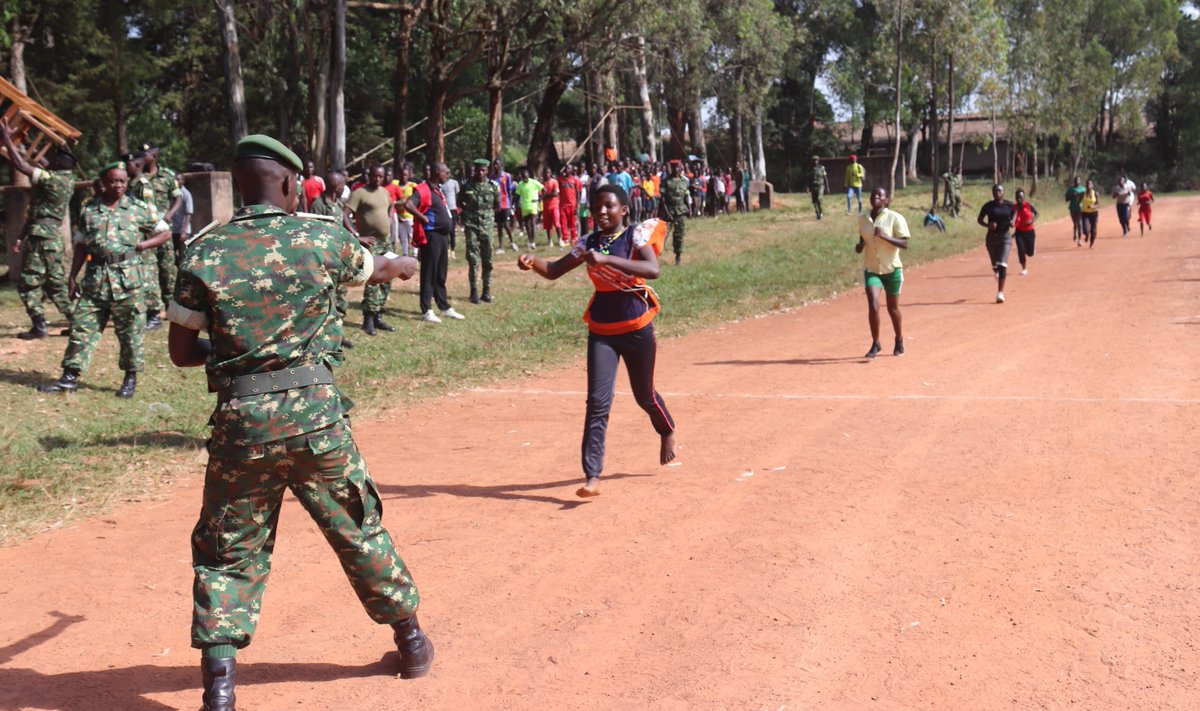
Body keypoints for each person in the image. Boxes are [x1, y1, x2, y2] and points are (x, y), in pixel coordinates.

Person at [165, 135, 431, 711]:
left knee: (227, 550)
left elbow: (181, 353)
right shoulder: (321, 236)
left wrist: (237, 350)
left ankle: (220, 689)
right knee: (356, 525)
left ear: (239, 182)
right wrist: (407, 265)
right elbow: (379, 266)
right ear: (289, 183)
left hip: (242, 424)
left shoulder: (204, 251)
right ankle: (411, 645)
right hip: (317, 420)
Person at [517, 184, 677, 497]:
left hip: (636, 326)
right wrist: (533, 261)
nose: (602, 212)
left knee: (644, 396)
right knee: (597, 403)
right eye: (597, 206)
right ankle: (592, 476)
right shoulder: (587, 243)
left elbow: (652, 269)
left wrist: (607, 261)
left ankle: (666, 429)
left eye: (609, 206)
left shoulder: (634, 237)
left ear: (624, 210)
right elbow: (553, 271)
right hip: (602, 329)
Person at [38, 160, 171, 397]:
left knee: (130, 333)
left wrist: (142, 245)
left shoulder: (139, 208)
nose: (117, 185)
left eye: (121, 180)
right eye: (112, 181)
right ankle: (69, 378)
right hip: (95, 280)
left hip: (129, 281)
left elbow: (164, 233)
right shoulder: (89, 210)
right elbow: (81, 245)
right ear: (103, 183)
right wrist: (72, 276)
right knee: (81, 329)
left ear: (127, 181)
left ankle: (130, 378)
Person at [0, 118, 76, 339]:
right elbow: (42, 163)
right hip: (49, 237)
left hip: (41, 239)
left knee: (29, 282)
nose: (47, 162)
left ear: (58, 165)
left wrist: (5, 137)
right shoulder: (65, 178)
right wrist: (26, 141)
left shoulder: (52, 181)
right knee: (55, 284)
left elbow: (22, 166)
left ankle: (39, 326)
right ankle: (76, 322)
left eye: (52, 160)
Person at [406, 162, 466, 324]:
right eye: (446, 172)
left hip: (442, 237)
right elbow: (409, 204)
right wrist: (422, 217)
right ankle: (426, 309)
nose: (448, 174)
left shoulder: (437, 189)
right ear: (437, 172)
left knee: (440, 272)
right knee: (429, 272)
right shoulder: (423, 189)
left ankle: (444, 306)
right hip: (431, 236)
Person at [308, 170, 359, 349]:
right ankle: (324, 337)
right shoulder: (318, 205)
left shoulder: (337, 204)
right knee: (326, 299)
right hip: (325, 260)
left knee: (341, 297)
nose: (345, 186)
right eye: (343, 184)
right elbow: (314, 232)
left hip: (339, 258)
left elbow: (343, 223)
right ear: (337, 186)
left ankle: (338, 334)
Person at [136, 143, 184, 331]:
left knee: (167, 271)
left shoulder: (167, 176)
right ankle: (153, 313)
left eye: (146, 153)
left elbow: (178, 198)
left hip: (163, 230)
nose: (142, 156)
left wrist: (170, 214)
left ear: (154, 156)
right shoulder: (136, 178)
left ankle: (172, 310)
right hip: (145, 231)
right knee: (149, 271)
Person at [856, 186, 908, 358]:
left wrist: (885, 236)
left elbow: (904, 244)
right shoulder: (862, 218)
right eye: (873, 195)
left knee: (893, 309)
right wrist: (860, 246)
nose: (876, 197)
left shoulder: (895, 218)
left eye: (880, 195)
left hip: (892, 270)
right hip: (872, 269)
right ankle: (876, 343)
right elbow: (862, 238)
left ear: (886, 200)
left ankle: (899, 339)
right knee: (873, 305)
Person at [347, 164, 397, 336]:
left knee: (389, 275)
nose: (377, 179)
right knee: (373, 279)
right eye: (375, 176)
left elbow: (389, 209)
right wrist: (356, 235)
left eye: (380, 176)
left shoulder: (385, 192)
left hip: (387, 242)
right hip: (371, 243)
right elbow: (344, 214)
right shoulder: (359, 193)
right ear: (369, 175)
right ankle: (368, 319)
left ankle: (379, 315)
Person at [461, 158, 500, 304]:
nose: (480, 172)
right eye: (478, 170)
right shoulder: (467, 186)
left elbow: (497, 204)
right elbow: (461, 202)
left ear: (487, 171)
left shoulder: (493, 187)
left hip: (487, 227)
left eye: (483, 170)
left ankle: (486, 291)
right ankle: (474, 292)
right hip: (472, 226)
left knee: (488, 259)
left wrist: (488, 217)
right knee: (473, 260)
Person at [977, 183, 1016, 303]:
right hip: (992, 238)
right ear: (993, 193)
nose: (997, 193)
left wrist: (1013, 221)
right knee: (995, 264)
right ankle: (995, 270)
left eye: (999, 191)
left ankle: (1000, 293)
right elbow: (979, 220)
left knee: (1002, 264)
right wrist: (988, 225)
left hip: (1005, 237)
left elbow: (1015, 213)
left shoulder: (1009, 205)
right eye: (995, 191)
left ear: (1003, 192)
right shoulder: (988, 206)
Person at [661, 162, 689, 265]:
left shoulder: (684, 181)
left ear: (680, 168)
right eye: (673, 167)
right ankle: (655, 255)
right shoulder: (666, 181)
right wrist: (666, 212)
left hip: (681, 211)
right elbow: (663, 199)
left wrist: (688, 208)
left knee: (679, 235)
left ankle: (678, 257)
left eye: (677, 167)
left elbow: (686, 196)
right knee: (663, 234)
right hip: (669, 211)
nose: (675, 169)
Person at [491, 159, 517, 253]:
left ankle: (512, 242)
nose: (495, 166)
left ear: (501, 165)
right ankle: (501, 246)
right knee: (499, 225)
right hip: (497, 204)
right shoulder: (492, 178)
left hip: (505, 203)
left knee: (506, 224)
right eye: (494, 165)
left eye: (497, 164)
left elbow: (509, 191)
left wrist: (510, 204)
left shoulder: (506, 176)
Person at [1012, 188, 1039, 276]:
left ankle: (1032, 250)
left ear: (1024, 198)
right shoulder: (1014, 207)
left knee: (1030, 253)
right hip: (1019, 232)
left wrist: (1032, 220)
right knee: (1020, 249)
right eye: (1018, 197)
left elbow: (1037, 213)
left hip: (1030, 232)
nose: (1019, 199)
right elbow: (1011, 219)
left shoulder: (1028, 205)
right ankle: (1024, 268)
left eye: (1021, 197)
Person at [514, 168, 543, 249]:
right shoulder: (520, 184)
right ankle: (530, 241)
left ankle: (533, 242)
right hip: (525, 207)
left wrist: (540, 199)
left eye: (526, 177)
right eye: (523, 177)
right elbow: (517, 194)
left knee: (533, 223)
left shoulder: (534, 182)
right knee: (527, 225)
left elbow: (544, 189)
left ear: (528, 176)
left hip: (533, 206)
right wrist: (515, 203)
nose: (525, 178)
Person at [171, 174, 194, 265]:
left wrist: (184, 232)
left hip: (183, 231)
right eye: (175, 180)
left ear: (183, 181)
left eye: (179, 180)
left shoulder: (186, 194)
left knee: (183, 257)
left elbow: (189, 213)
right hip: (173, 230)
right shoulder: (173, 193)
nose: (177, 182)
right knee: (172, 256)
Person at [440, 167, 461, 258]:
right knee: (446, 230)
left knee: (452, 231)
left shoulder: (454, 183)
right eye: (446, 173)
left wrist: (459, 207)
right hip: (445, 209)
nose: (447, 175)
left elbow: (458, 195)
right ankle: (447, 249)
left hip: (453, 209)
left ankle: (453, 249)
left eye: (448, 173)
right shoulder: (441, 185)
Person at [540, 167, 563, 247]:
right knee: (547, 225)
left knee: (557, 223)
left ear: (550, 173)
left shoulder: (554, 182)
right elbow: (541, 195)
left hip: (554, 206)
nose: (547, 174)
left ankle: (560, 239)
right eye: (545, 173)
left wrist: (546, 194)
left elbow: (556, 194)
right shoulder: (542, 184)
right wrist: (547, 195)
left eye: (548, 172)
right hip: (546, 207)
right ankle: (550, 241)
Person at [1111, 172, 1137, 237]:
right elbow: (1113, 197)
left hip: (1126, 204)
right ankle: (1124, 230)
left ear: (1124, 181)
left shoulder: (1127, 187)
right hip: (1119, 204)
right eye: (1119, 180)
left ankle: (1127, 226)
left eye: (1122, 180)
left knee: (1126, 217)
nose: (1120, 182)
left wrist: (1128, 193)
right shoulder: (1116, 188)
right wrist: (1116, 194)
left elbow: (1130, 193)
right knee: (1121, 219)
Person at [1064, 176, 1085, 245]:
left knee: (1079, 223)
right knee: (1075, 223)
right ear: (1074, 181)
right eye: (1075, 180)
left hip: (1080, 208)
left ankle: (1079, 240)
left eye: (1078, 180)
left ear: (1080, 181)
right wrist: (1072, 196)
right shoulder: (1071, 189)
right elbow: (1066, 199)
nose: (1077, 181)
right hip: (1073, 208)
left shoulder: (1083, 189)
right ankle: (1074, 233)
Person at [1080, 178, 1100, 249]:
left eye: (1090, 184)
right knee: (1085, 230)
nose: (1088, 185)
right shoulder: (1083, 194)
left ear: (1092, 185)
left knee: (1093, 231)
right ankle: (1087, 235)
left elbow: (1098, 204)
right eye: (1087, 184)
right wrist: (1079, 206)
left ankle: (1091, 243)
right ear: (1085, 185)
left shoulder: (1095, 193)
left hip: (1094, 213)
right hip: (1085, 213)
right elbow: (1079, 201)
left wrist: (1092, 206)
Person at [809, 155, 829, 220]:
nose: (815, 161)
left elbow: (825, 177)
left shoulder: (822, 168)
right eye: (814, 160)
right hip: (813, 186)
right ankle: (818, 212)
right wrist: (807, 187)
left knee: (819, 199)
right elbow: (808, 179)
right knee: (814, 202)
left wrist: (827, 187)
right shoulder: (810, 169)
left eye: (816, 160)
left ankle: (820, 212)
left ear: (818, 160)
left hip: (820, 186)